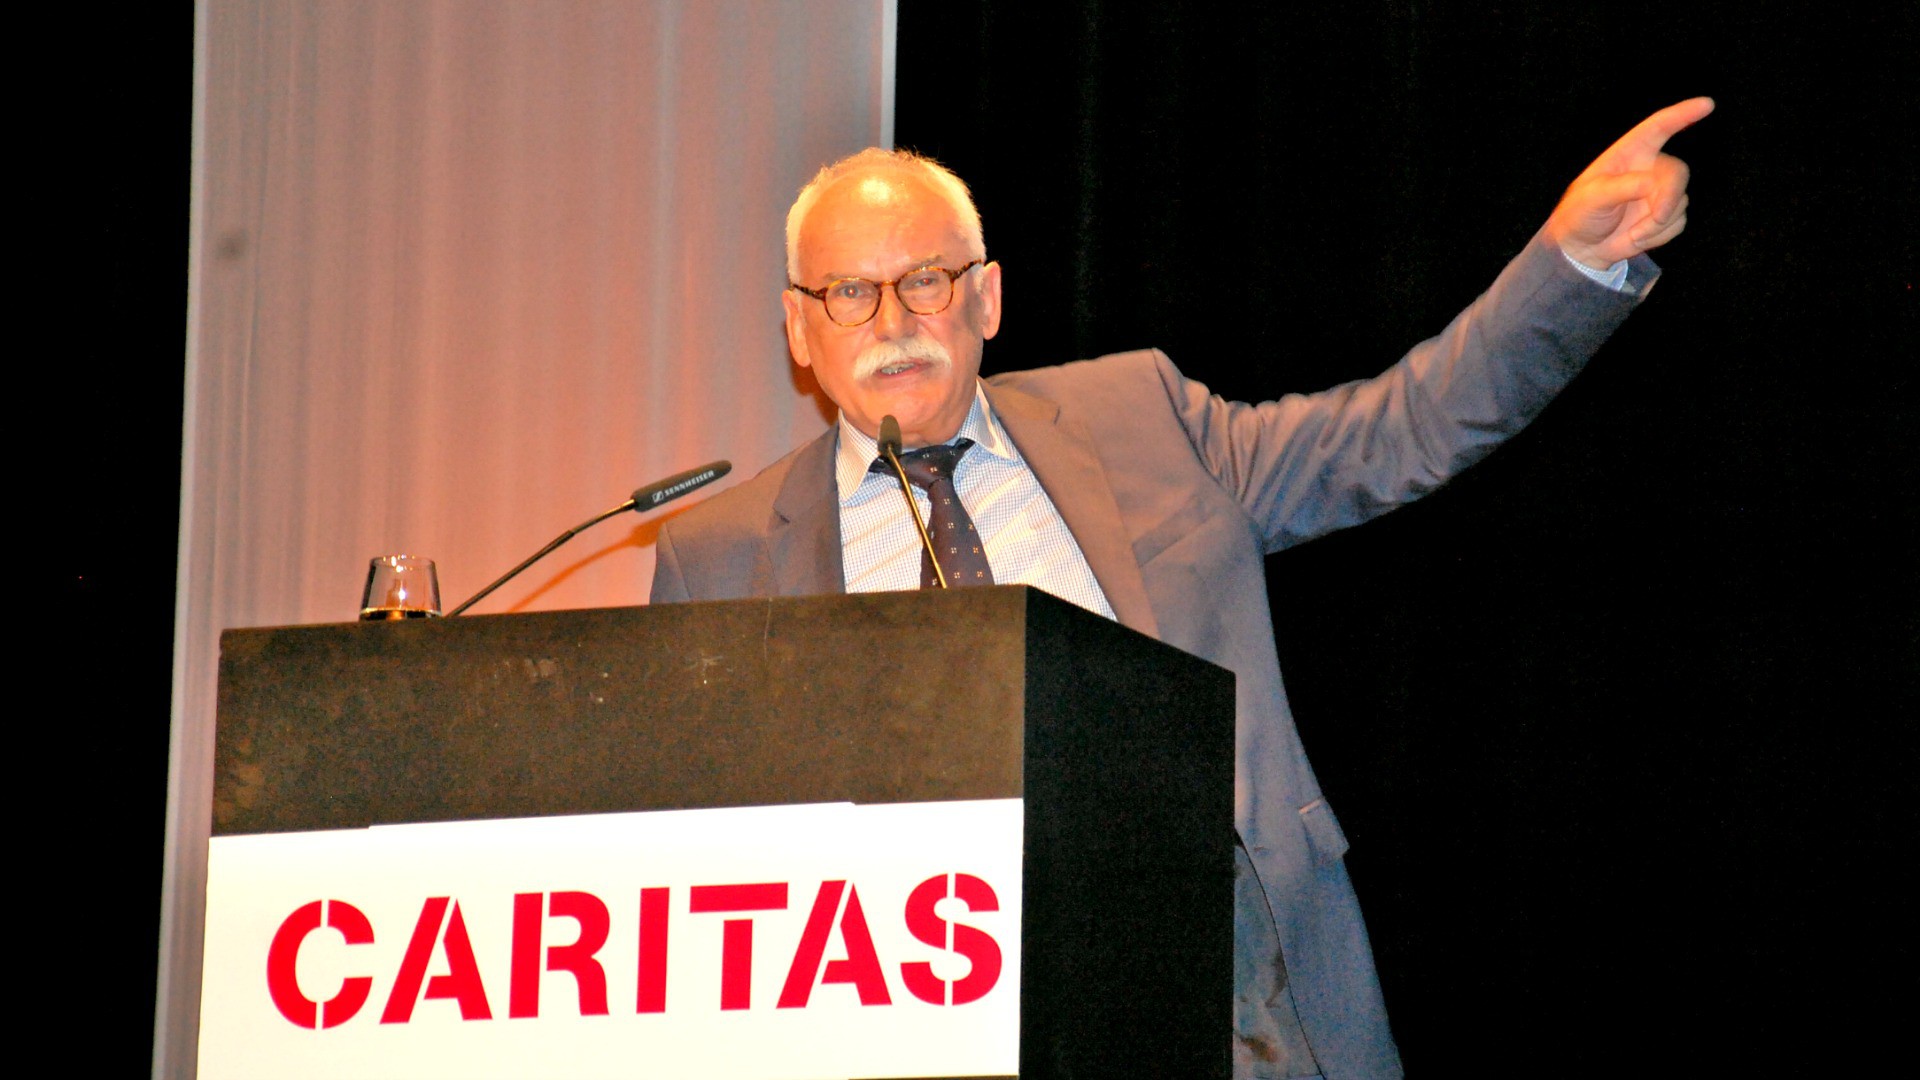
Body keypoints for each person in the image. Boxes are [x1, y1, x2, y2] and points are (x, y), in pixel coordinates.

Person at [650, 97, 1714, 1079]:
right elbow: (688, 866)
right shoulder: (725, 555)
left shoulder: (1138, 420)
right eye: (847, 291)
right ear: (799, 329)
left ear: (987, 297)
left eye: (925, 279)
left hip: (1233, 998)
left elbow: (1401, 430)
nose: (891, 320)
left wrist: (1570, 264)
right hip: (909, 1024)